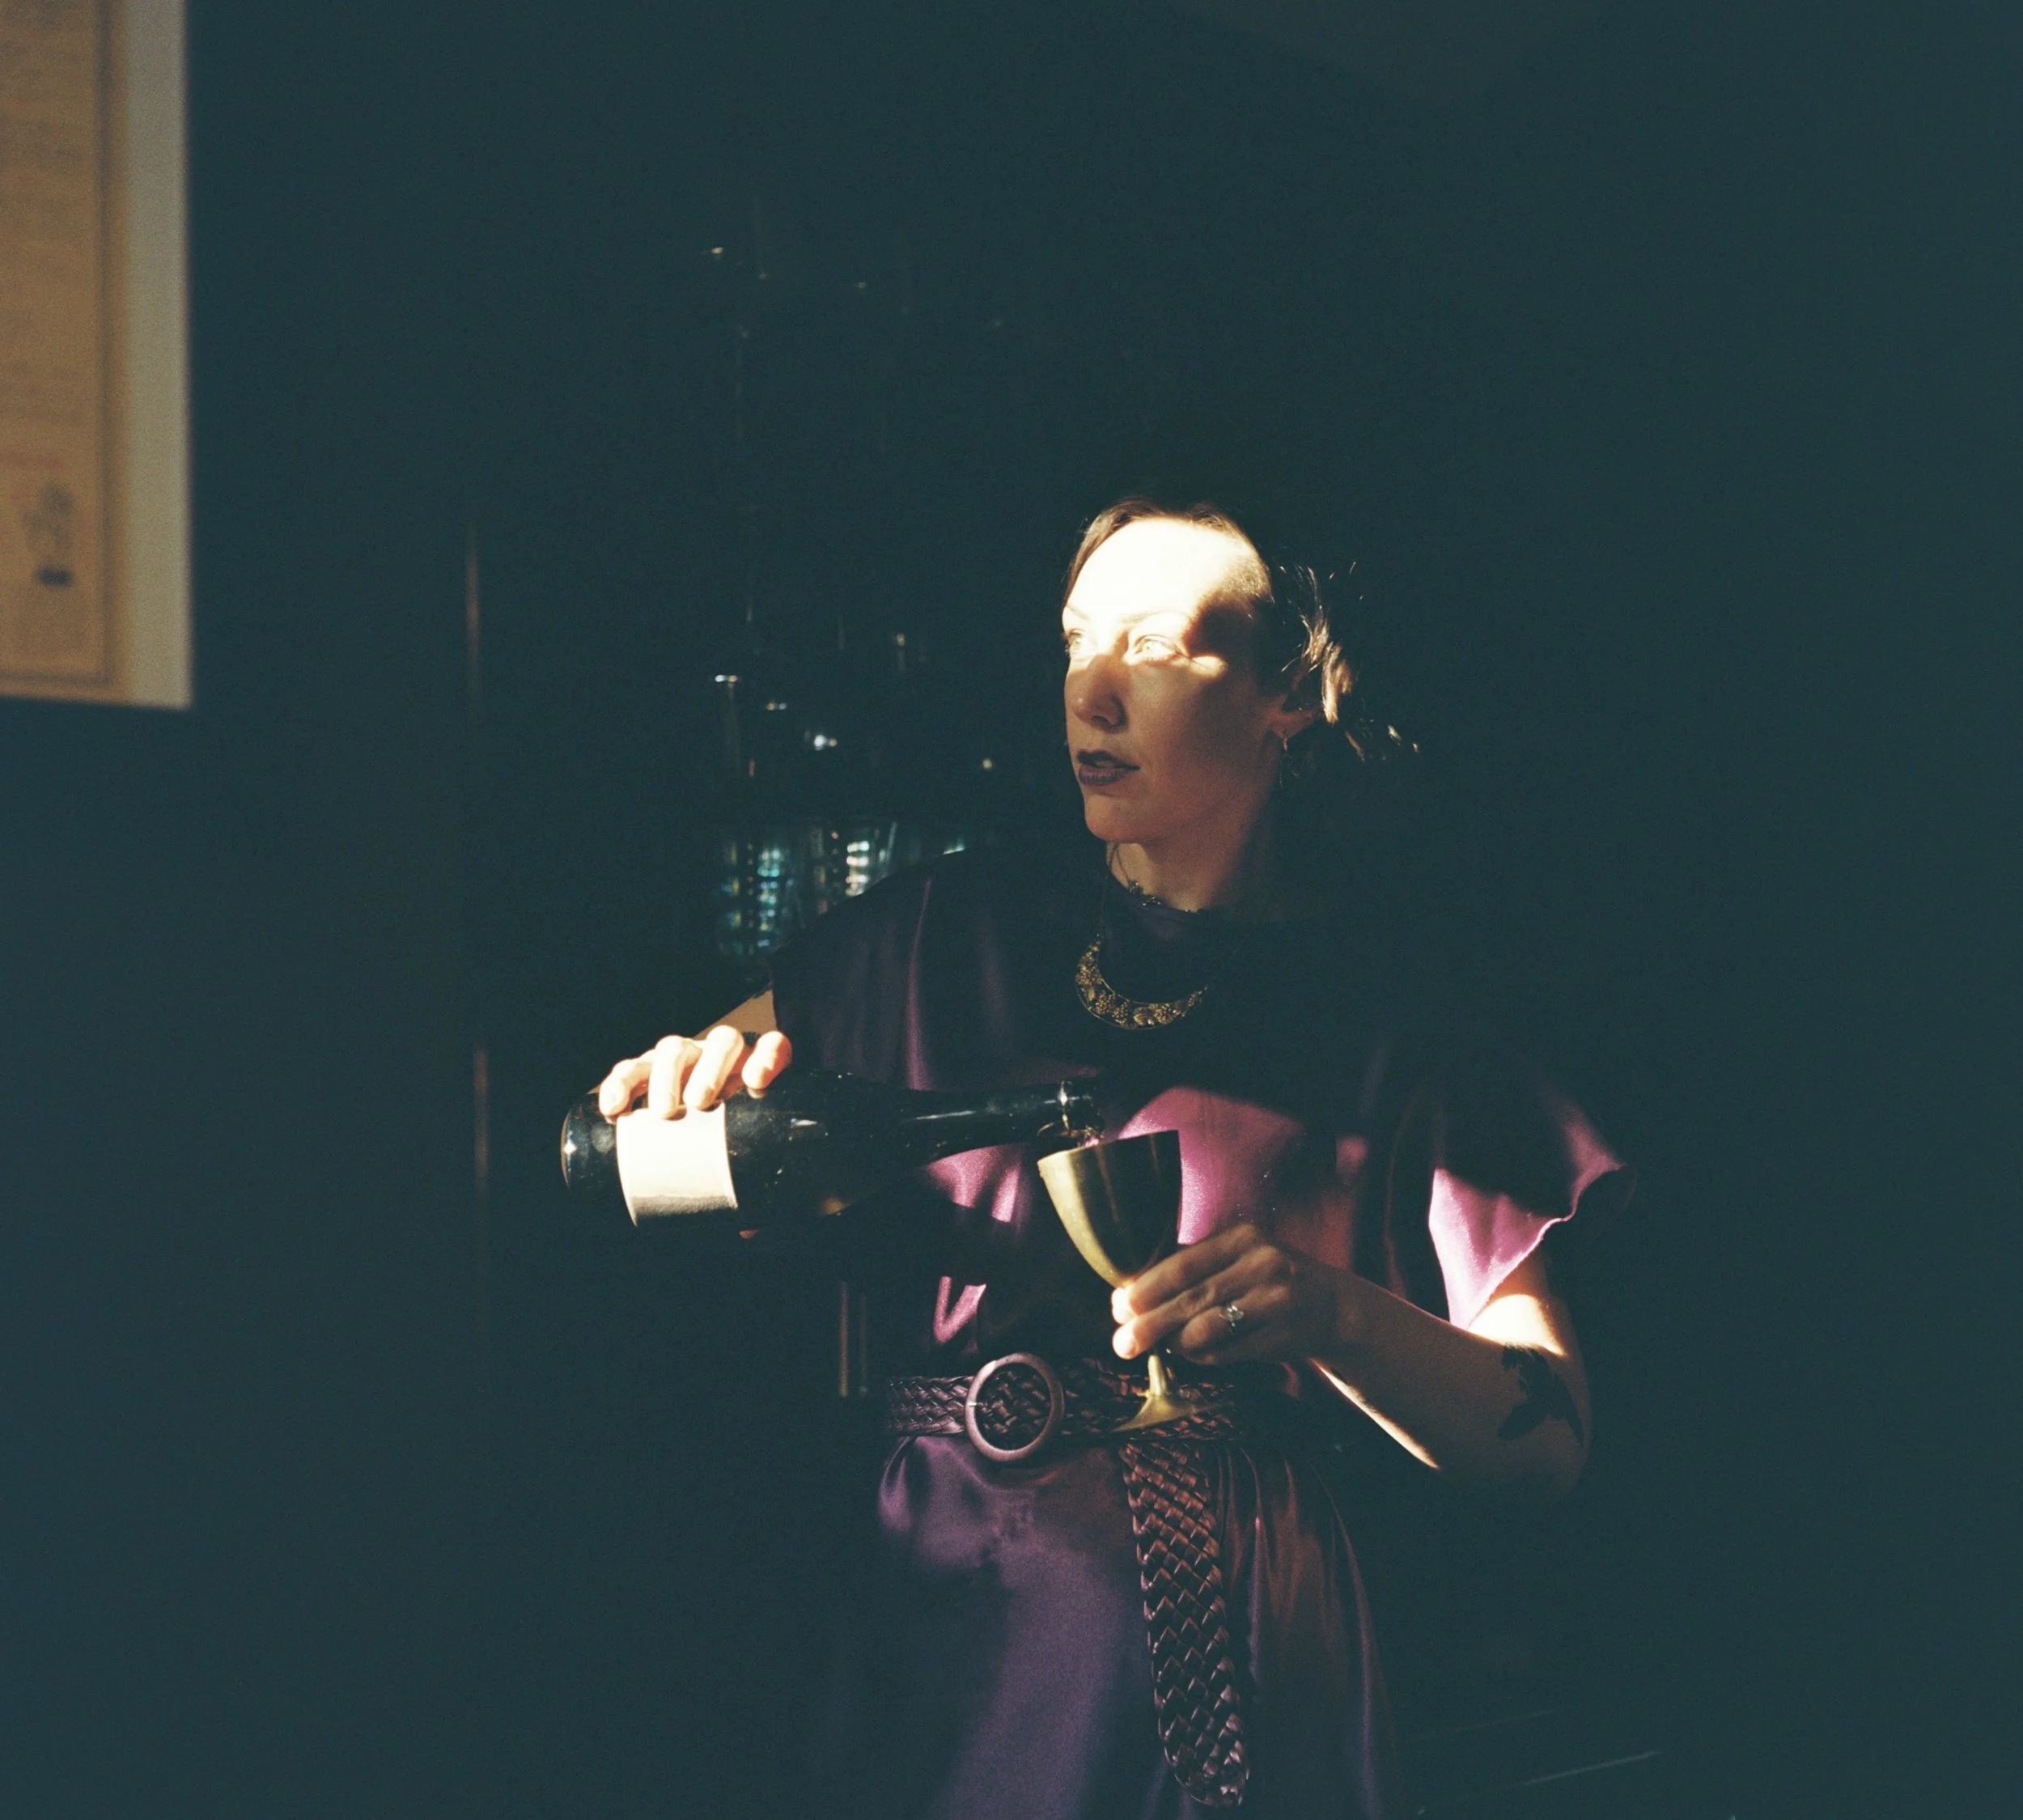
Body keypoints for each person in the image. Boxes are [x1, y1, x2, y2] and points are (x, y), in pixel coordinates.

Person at [598, 498, 1631, 1818]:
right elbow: (638, 1136)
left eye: (1152, 646)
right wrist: (672, 1088)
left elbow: (1547, 1440)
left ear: (1289, 697)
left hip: (1249, 1649)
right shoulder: (942, 937)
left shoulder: (1395, 1020)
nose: (1092, 687)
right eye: (1077, 641)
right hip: (944, 1619)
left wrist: (1330, 1316)